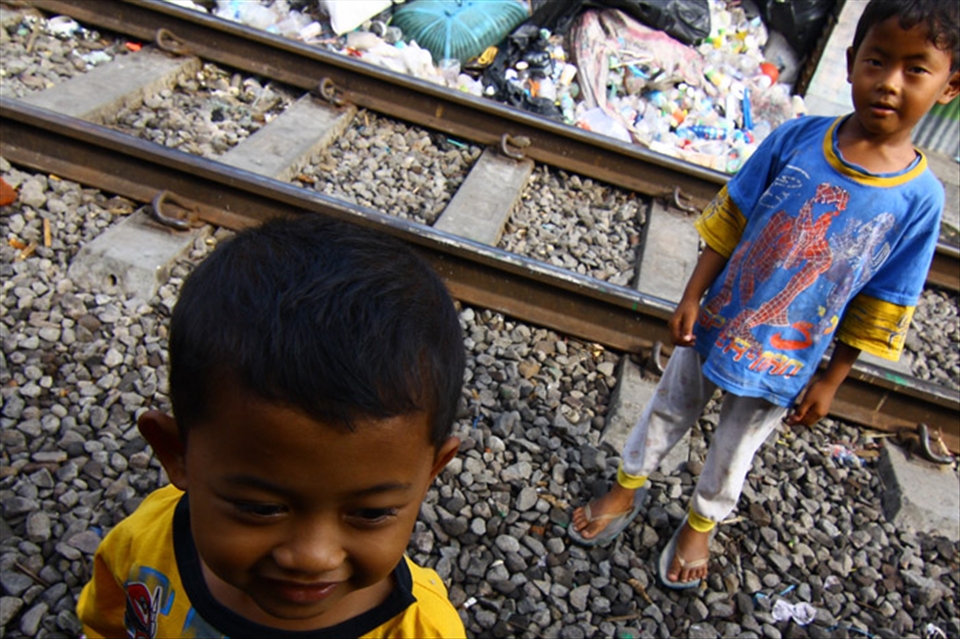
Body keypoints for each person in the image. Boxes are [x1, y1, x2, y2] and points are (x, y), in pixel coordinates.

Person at [571, 0, 960, 589]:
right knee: (668, 408)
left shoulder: (920, 199)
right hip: (719, 319)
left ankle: (702, 521)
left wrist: (832, 379)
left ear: (950, 86)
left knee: (736, 446)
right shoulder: (799, 139)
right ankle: (627, 486)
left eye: (915, 70)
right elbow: (733, 218)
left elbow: (885, 296)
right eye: (877, 61)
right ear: (852, 62)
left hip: (786, 353)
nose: (888, 83)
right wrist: (692, 295)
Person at [77, 215, 467, 637]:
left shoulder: (419, 629)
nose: (313, 556)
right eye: (260, 508)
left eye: (371, 513)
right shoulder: (147, 544)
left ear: (431, 472)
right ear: (176, 453)